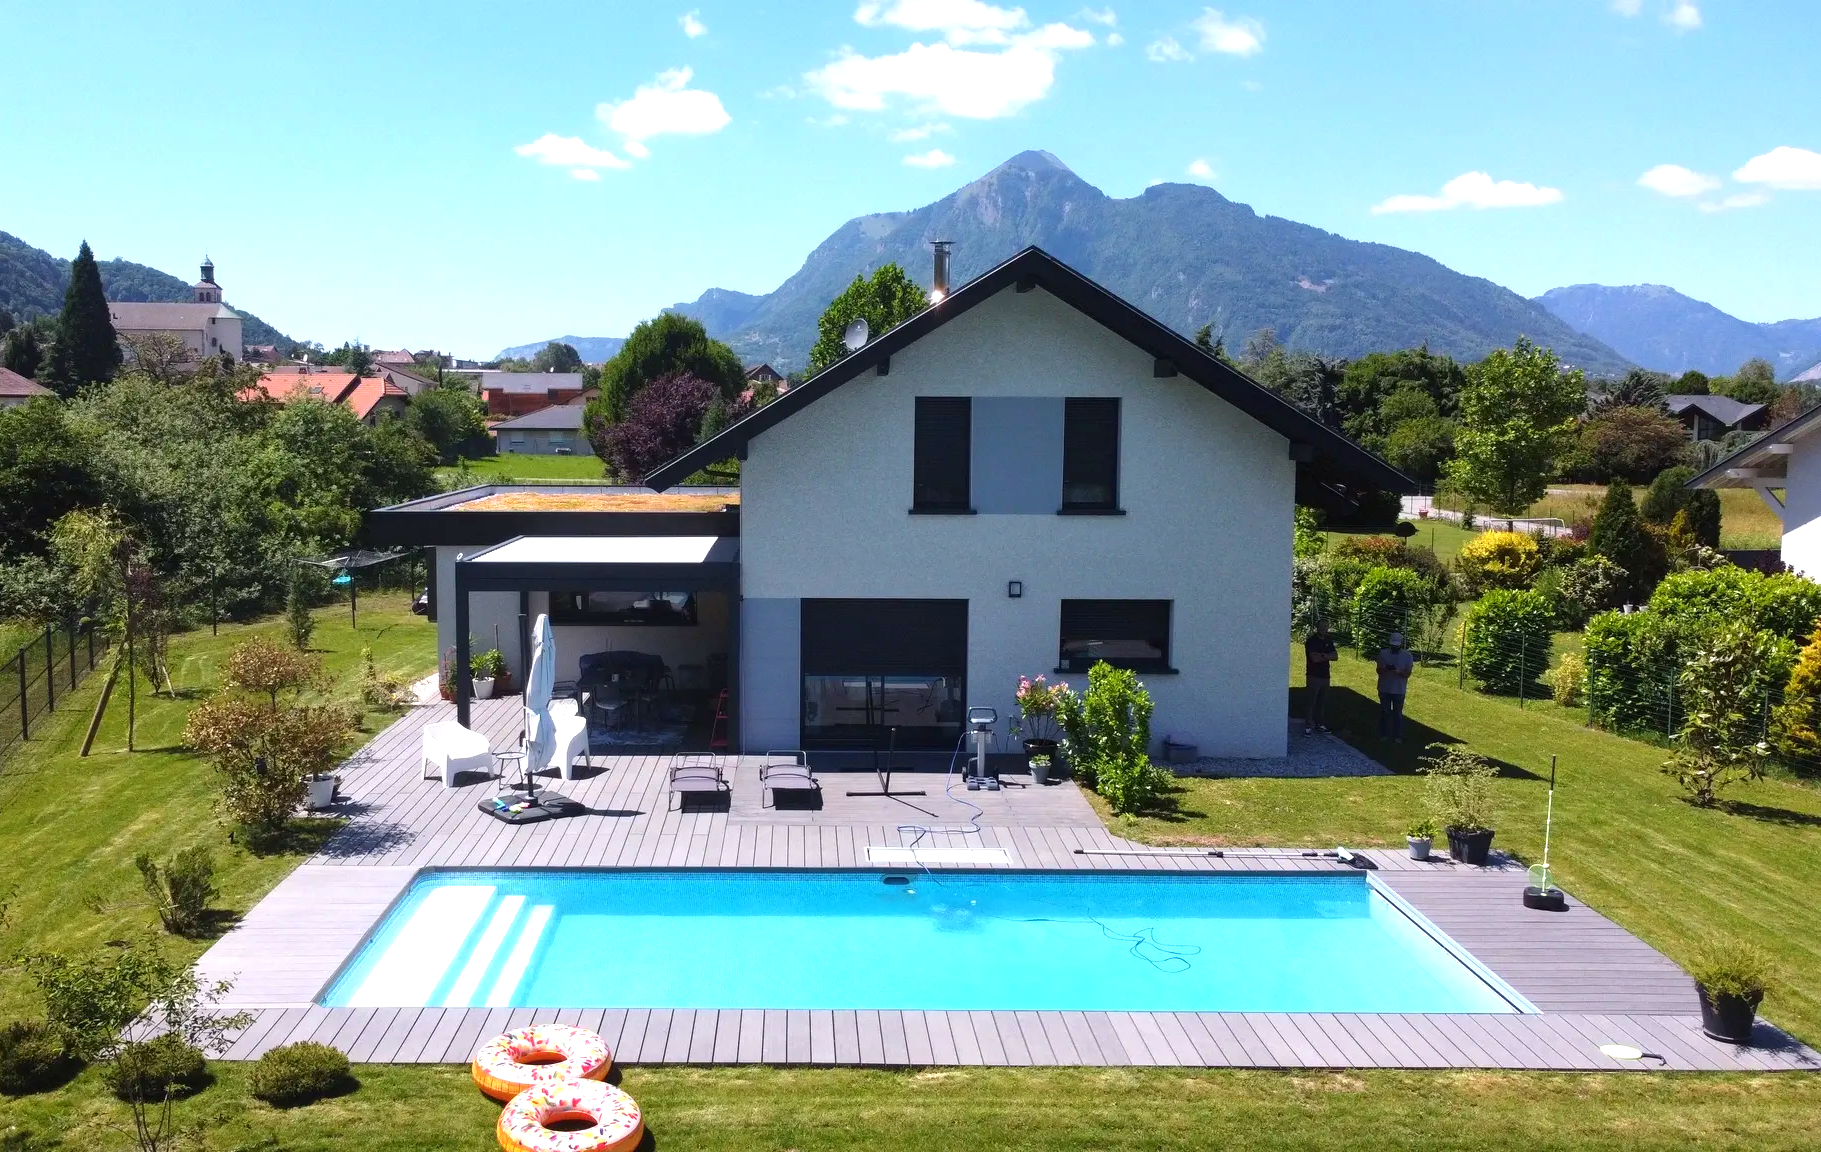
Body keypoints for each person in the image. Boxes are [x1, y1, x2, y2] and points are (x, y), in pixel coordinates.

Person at [1376, 631, 1414, 742]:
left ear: (1401, 645)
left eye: (1396, 646)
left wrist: (1398, 671)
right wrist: (1385, 669)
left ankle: (1397, 736)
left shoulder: (1407, 656)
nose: (1394, 648)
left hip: (1399, 690)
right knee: (1385, 712)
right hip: (1384, 688)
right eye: (1393, 646)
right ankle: (1384, 734)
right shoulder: (1383, 654)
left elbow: (1407, 674)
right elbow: (1378, 670)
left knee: (1397, 713)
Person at [1303, 619, 1337, 735]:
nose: (1324, 628)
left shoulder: (1328, 640)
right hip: (1313, 675)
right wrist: (1327, 656)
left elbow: (1335, 656)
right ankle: (1308, 725)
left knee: (1322, 701)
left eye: (1326, 626)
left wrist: (1322, 655)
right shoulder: (1311, 641)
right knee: (1311, 701)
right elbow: (1314, 659)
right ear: (1317, 627)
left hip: (1325, 676)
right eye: (1321, 626)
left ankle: (1319, 723)